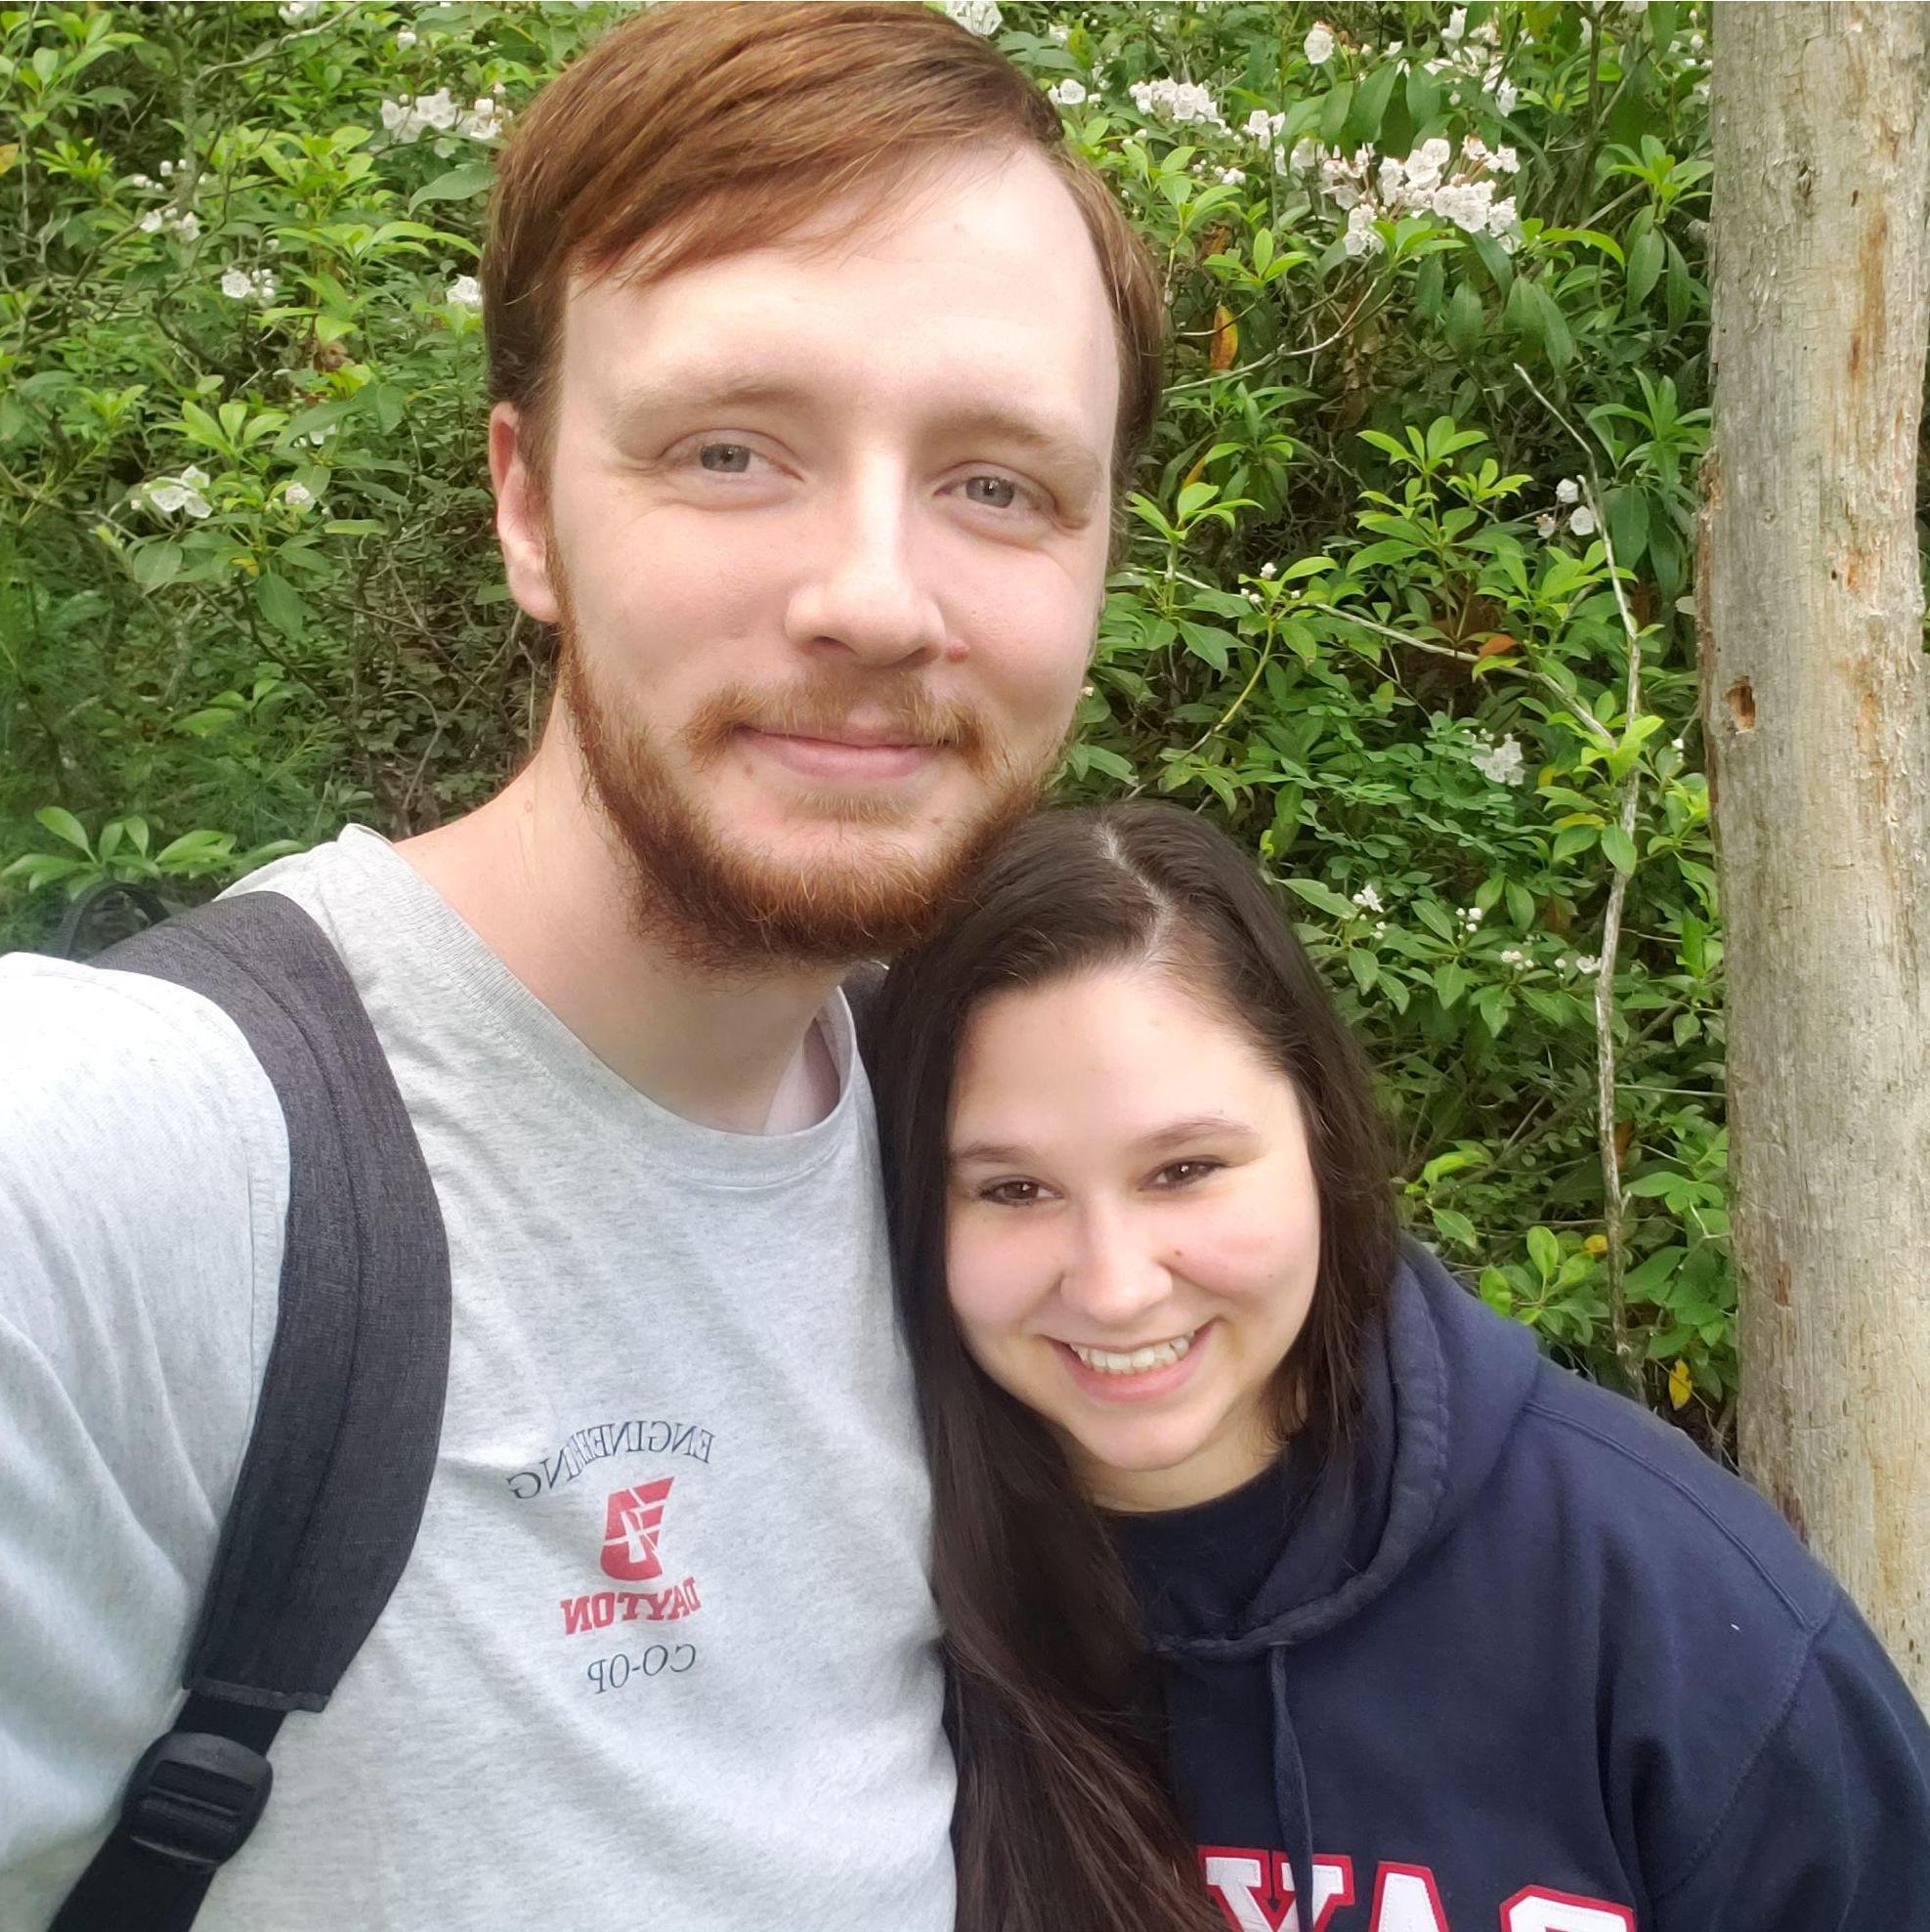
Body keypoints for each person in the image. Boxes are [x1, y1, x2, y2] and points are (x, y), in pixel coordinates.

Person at [0, 7, 1164, 1927]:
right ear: (530, 506)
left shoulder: (987, 1149)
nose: (874, 595)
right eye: (730, 449)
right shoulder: (135, 1166)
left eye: (998, 484)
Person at [867, 800, 1930, 1932]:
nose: (1114, 1283)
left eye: (1183, 1168)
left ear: (1319, 1139)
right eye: (1012, 1190)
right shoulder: (864, 1588)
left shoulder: (1663, 1600)